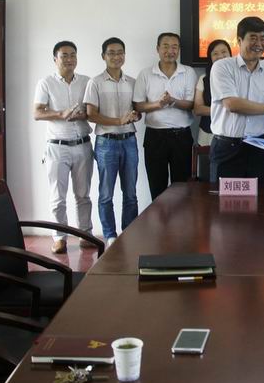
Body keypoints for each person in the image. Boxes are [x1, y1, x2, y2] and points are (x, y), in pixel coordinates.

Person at [209, 16, 264, 183]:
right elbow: (232, 104)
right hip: (227, 147)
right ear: (239, 40)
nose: (259, 43)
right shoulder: (222, 67)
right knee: (224, 198)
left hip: (258, 147)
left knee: (259, 197)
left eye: (263, 39)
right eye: (253, 38)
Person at [33, 41, 93, 254]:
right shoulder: (46, 83)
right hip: (57, 147)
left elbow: (92, 112)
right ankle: (59, 238)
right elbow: (37, 113)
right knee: (58, 197)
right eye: (64, 55)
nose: (69, 59)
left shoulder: (86, 81)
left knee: (83, 195)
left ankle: (86, 234)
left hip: (83, 145)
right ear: (55, 59)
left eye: (73, 55)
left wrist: (82, 115)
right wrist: (60, 114)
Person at [84, 37, 140, 246]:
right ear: (103, 56)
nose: (116, 57)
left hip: (129, 141)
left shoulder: (133, 82)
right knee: (106, 194)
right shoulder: (95, 82)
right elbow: (91, 114)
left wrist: (134, 116)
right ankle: (110, 236)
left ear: (125, 55)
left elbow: (138, 111)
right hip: (106, 143)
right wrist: (118, 121)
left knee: (131, 193)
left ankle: (129, 233)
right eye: (111, 53)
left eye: (120, 53)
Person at [134, 32, 197, 200]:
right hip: (155, 137)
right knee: (157, 188)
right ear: (157, 49)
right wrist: (158, 104)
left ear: (179, 50)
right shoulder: (145, 74)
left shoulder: (188, 72)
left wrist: (172, 101)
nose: (170, 51)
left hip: (181, 137)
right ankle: (159, 218)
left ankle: (181, 219)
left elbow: (191, 104)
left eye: (174, 47)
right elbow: (138, 105)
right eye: (166, 46)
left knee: (182, 188)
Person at [193, 40, 232, 147]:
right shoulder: (204, 79)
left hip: (233, 134)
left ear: (230, 54)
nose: (220, 56)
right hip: (207, 134)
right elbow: (198, 109)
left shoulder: (239, 77)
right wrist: (226, 109)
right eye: (215, 53)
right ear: (210, 58)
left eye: (224, 52)